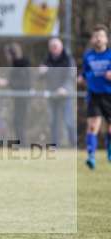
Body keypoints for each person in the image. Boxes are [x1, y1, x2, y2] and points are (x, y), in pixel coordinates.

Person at [78, 24, 111, 169]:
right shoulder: (88, 56)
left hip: (109, 95)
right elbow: (84, 73)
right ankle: (91, 156)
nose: (98, 39)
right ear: (92, 39)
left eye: (101, 36)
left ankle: (109, 151)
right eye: (96, 36)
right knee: (92, 126)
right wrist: (80, 78)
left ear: (106, 39)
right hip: (94, 95)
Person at [40, 38, 76, 147]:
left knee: (68, 120)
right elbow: (40, 76)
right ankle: (54, 145)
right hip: (52, 95)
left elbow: (70, 75)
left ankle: (73, 144)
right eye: (52, 47)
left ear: (60, 47)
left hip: (65, 94)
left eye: (56, 46)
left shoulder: (68, 59)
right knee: (53, 122)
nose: (54, 49)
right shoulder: (47, 59)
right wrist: (41, 72)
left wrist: (64, 88)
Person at [4, 43, 31, 147]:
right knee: (16, 120)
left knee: (20, 121)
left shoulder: (23, 64)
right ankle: (20, 142)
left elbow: (24, 82)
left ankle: (23, 144)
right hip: (18, 98)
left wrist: (8, 83)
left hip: (23, 98)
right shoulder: (16, 64)